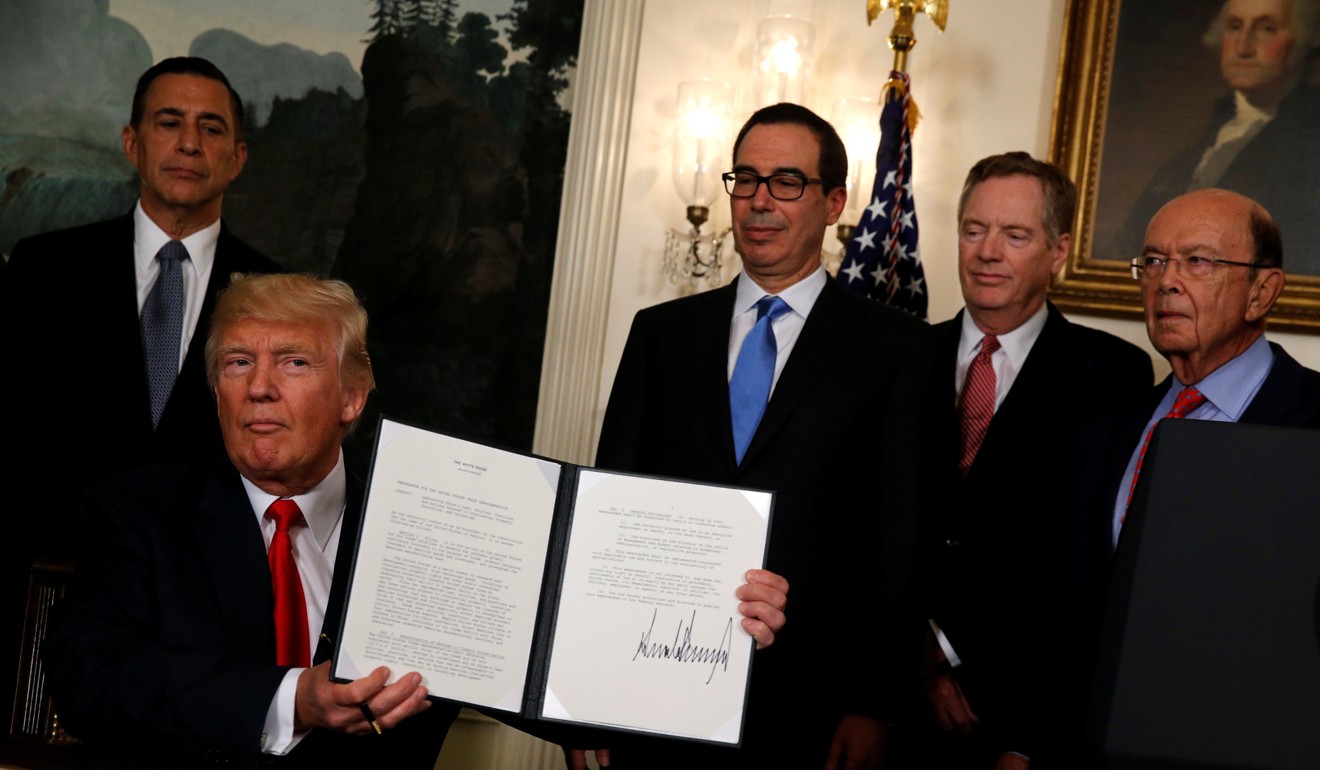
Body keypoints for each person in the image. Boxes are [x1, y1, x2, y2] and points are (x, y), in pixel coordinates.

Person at [43, 272, 788, 769]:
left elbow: (564, 689)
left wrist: (722, 627)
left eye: (294, 363)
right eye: (237, 363)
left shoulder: (433, 522)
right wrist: (293, 700)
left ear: (353, 397)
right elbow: (88, 679)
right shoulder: (136, 513)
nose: (260, 387)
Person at [588, 102, 934, 769]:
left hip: (811, 704)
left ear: (834, 203)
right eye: (745, 179)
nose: (759, 201)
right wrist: (592, 696)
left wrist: (874, 704)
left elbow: (901, 541)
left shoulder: (896, 351)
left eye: (786, 182)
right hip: (653, 695)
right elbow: (614, 511)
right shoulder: (661, 335)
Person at [0, 56, 280, 735]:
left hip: (199, 634)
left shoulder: (277, 296)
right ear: (133, 142)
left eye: (211, 128)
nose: (189, 143)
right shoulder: (42, 269)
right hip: (36, 599)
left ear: (238, 157)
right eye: (169, 122)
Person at [1053, 187, 1320, 766]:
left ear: (1263, 290)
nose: (1166, 281)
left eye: (1197, 261)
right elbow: (1072, 609)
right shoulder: (1107, 429)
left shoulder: (1314, 421)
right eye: (1153, 261)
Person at [912, 153, 1152, 769]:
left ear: (1058, 250)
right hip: (884, 700)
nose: (987, 251)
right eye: (974, 229)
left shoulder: (1111, 375)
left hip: (1018, 712)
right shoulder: (901, 357)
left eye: (1015, 235)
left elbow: (1081, 559)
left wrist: (956, 654)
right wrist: (917, 656)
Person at [1121, 0, 1320, 272]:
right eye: (1235, 27)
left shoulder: (1310, 143)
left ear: (1305, 40)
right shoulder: (1207, 139)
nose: (1243, 47)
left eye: (1266, 29)